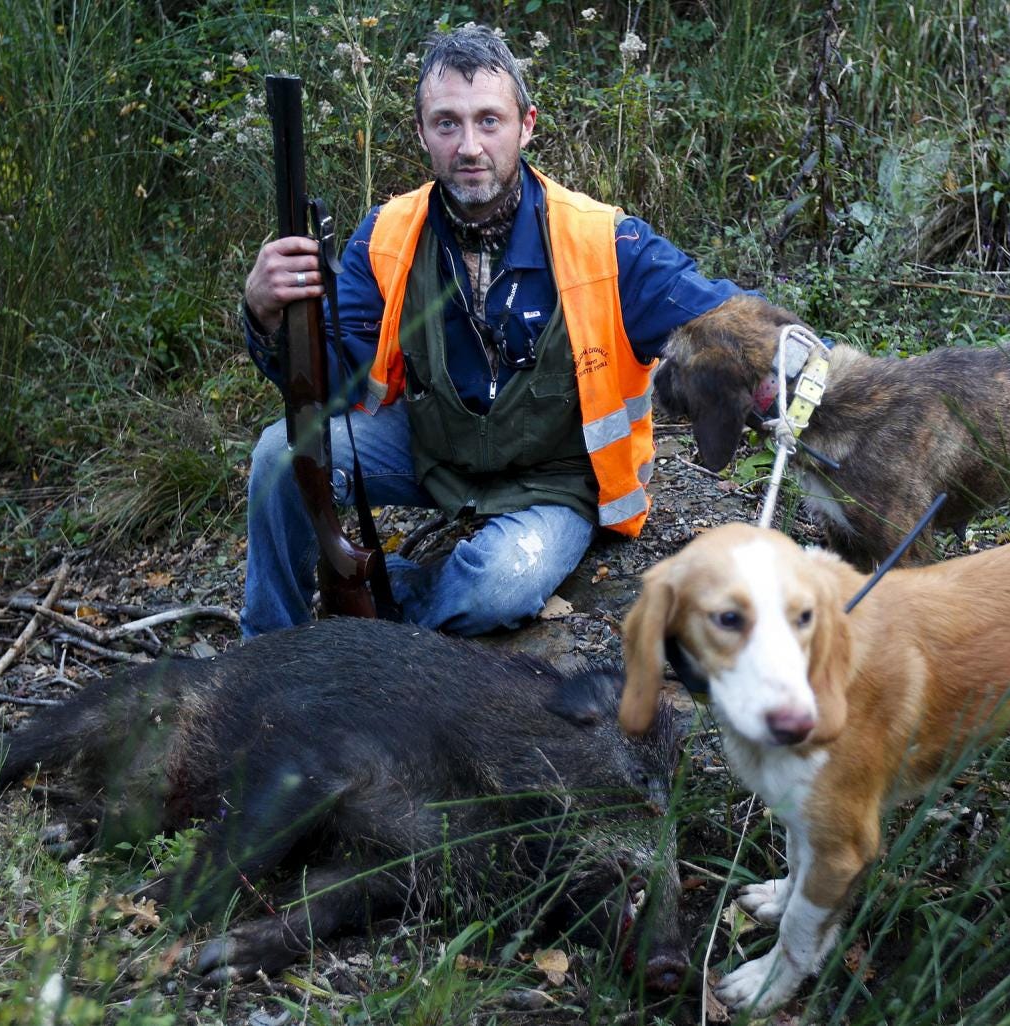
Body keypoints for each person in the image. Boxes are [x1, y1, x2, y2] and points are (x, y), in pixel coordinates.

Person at [240, 24, 747, 637]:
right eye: (448, 123)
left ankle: (390, 602)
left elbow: (721, 316)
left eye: (489, 120)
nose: (470, 145)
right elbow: (332, 379)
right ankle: (267, 652)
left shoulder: (603, 241)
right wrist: (268, 315)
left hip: (553, 483)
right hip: (435, 453)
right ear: (423, 133)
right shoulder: (388, 236)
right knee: (280, 453)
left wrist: (808, 366)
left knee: (498, 585)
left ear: (526, 125)